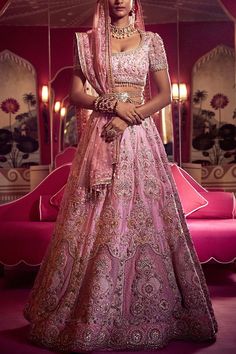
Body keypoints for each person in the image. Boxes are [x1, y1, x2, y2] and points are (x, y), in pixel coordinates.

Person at [23, 0, 218, 352]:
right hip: (101, 135)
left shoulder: (151, 41)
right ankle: (91, 307)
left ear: (134, 1)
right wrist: (112, 105)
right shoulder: (87, 42)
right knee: (94, 213)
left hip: (139, 137)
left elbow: (162, 97)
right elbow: (77, 93)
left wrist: (129, 115)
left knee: (143, 216)